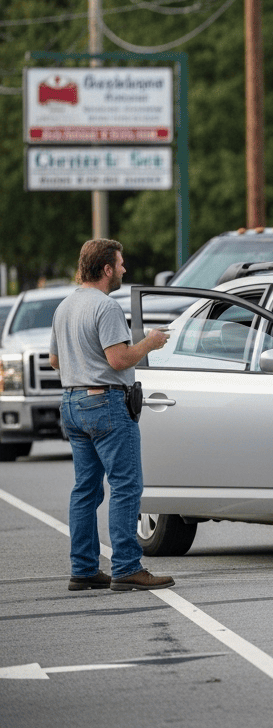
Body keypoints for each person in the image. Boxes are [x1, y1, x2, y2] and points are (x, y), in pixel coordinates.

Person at [49, 239, 173, 592]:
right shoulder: (106, 307)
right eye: (120, 264)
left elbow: (55, 361)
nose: (124, 269)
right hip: (105, 403)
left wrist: (80, 359)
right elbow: (118, 360)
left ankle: (84, 568)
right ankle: (127, 567)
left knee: (85, 489)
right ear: (106, 269)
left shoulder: (65, 307)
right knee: (126, 485)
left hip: (72, 403)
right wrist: (149, 342)